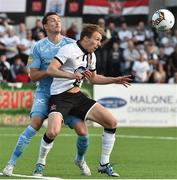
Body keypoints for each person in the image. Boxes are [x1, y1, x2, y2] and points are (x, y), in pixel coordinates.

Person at [3, 12, 91, 177]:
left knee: (83, 131)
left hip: (66, 95)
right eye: (52, 20)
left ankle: (80, 159)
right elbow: (33, 75)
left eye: (59, 20)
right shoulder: (37, 47)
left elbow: (82, 66)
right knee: (35, 123)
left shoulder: (72, 44)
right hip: (45, 93)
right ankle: (11, 163)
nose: (57, 23)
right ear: (45, 26)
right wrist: (52, 71)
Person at [41, 24, 132, 177]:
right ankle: (41, 162)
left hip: (78, 97)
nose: (99, 44)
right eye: (97, 39)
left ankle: (104, 164)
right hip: (60, 97)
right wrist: (71, 76)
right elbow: (51, 70)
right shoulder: (68, 49)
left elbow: (94, 79)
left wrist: (114, 80)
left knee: (111, 122)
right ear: (85, 38)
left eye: (100, 40)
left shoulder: (91, 56)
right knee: (52, 132)